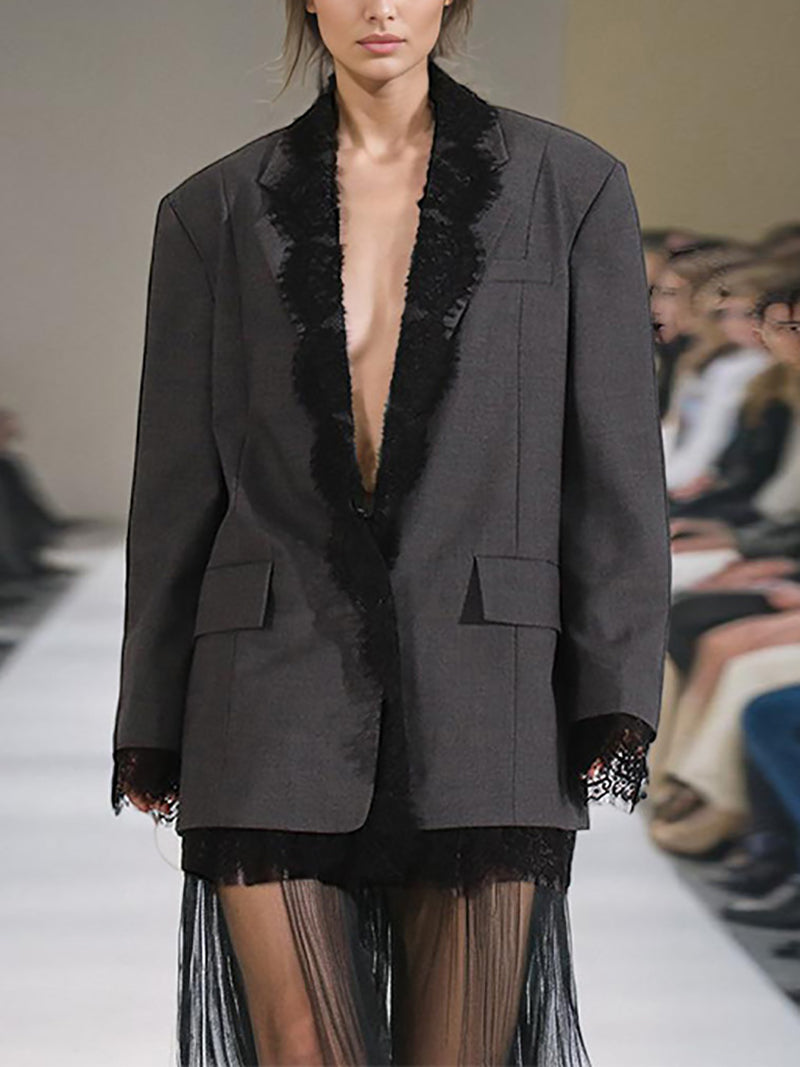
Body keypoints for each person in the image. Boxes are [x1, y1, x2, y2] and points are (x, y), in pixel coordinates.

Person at [109, 3, 672, 1064]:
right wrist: (150, 711)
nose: (379, 7)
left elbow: (615, 461)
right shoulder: (212, 208)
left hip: (486, 677)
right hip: (265, 677)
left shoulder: (570, 186)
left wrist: (612, 683)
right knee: (300, 1047)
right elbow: (175, 484)